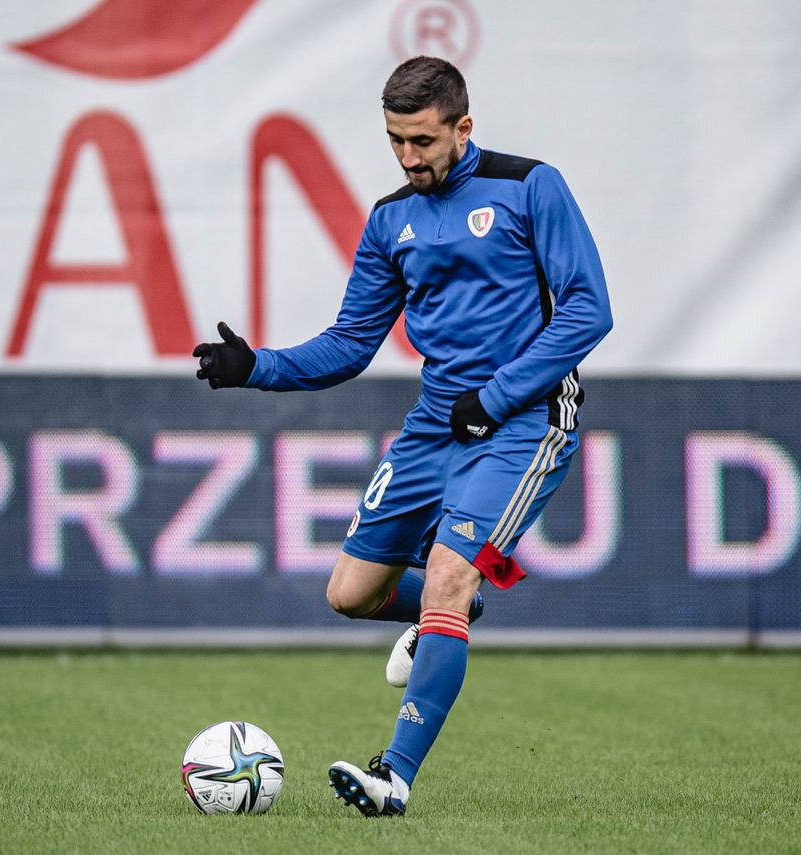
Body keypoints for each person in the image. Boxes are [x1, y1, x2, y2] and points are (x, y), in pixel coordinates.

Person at [193, 55, 612, 816]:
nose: (409, 157)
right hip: (438, 423)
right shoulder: (392, 219)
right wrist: (257, 366)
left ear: (463, 127)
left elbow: (588, 310)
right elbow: (351, 342)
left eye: (423, 140)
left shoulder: (529, 187)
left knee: (450, 571)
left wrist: (498, 395)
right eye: (395, 141)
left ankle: (394, 778)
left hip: (524, 421)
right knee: (351, 593)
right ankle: (451, 611)